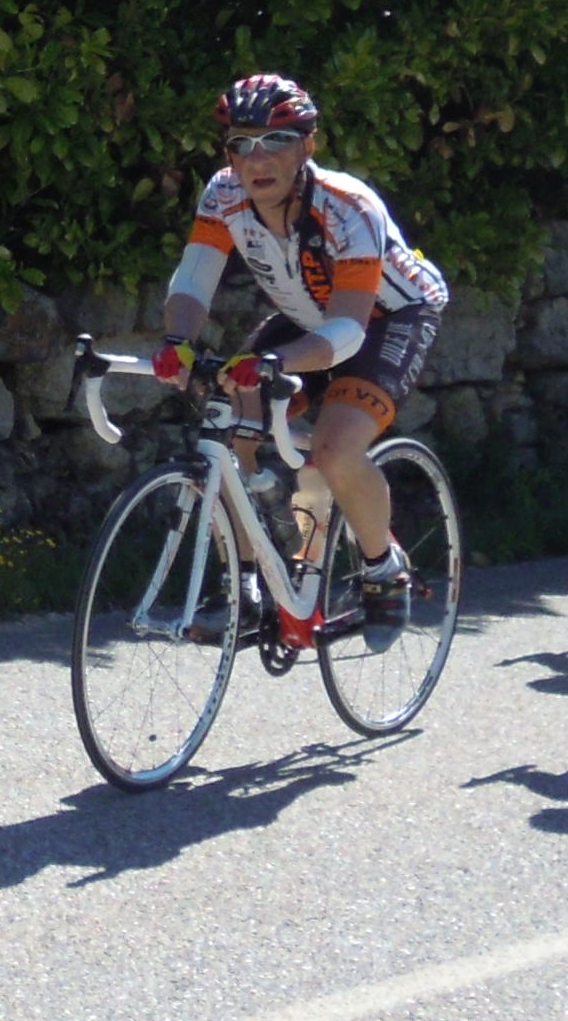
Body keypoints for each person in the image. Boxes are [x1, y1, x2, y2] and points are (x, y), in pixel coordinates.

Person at [153, 73, 452, 632]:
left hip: (386, 318)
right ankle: (245, 582)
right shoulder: (223, 194)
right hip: (309, 315)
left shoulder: (348, 208)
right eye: (241, 144)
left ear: (307, 147)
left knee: (337, 447)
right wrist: (178, 342)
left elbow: (348, 331)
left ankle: (383, 568)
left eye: (276, 141)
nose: (257, 159)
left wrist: (277, 363)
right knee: (229, 427)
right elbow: (193, 279)